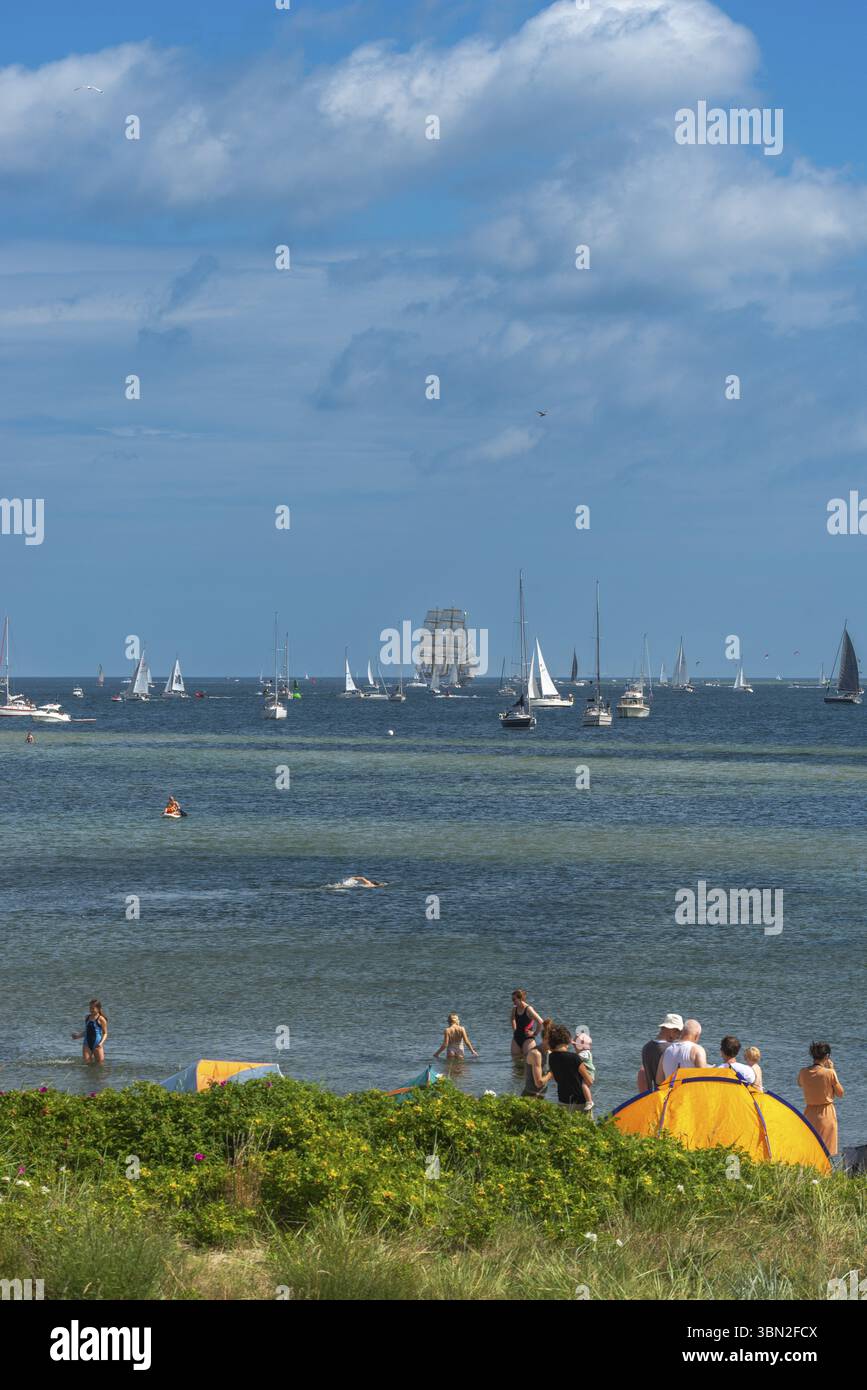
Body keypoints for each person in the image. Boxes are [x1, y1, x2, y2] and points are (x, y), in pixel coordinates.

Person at [798, 1042, 844, 1156]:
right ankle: (824, 1173)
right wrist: (832, 1069)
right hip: (826, 1113)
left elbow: (800, 1083)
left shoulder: (803, 1072)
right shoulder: (829, 1073)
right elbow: (840, 1093)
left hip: (809, 1112)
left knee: (810, 1149)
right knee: (825, 1151)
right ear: (827, 1056)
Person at [542, 1024, 594, 1108]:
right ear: (567, 1041)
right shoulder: (574, 1058)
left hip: (562, 1101)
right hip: (580, 1103)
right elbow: (589, 1081)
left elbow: (556, 1078)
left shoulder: (551, 1057)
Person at [637, 1013, 683, 1092]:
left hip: (650, 1095)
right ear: (671, 1030)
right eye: (678, 1032)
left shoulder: (647, 1047)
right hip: (666, 1094)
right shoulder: (670, 1049)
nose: (679, 1036)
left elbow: (642, 1073)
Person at [657, 1018, 707, 1083]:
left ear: (682, 1033)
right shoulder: (697, 1050)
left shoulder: (667, 1051)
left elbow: (659, 1080)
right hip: (689, 1092)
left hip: (671, 1092)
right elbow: (704, 1079)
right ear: (697, 1036)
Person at [522, 1019, 553, 1098]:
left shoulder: (549, 1052)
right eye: (554, 1041)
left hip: (541, 1095)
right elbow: (538, 1083)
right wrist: (552, 1073)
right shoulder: (536, 1054)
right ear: (545, 1039)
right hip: (530, 1096)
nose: (555, 1044)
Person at [72, 999, 108, 1065]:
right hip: (86, 1044)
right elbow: (87, 1031)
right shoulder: (87, 1017)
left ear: (98, 1008)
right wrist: (78, 1036)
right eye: (90, 1008)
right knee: (87, 1064)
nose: (91, 1010)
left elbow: (105, 1033)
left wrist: (101, 1043)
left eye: (93, 1008)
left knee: (100, 1065)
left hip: (97, 1044)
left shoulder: (101, 1019)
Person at [510, 989, 543, 1060]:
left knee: (528, 1059)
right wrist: (514, 1030)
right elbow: (512, 1019)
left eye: (514, 999)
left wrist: (535, 1033)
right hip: (516, 1037)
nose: (513, 1002)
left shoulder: (528, 1009)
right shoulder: (514, 1009)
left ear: (520, 998)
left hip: (527, 1039)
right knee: (515, 1060)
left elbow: (540, 1022)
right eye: (512, 999)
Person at [572, 1028, 596, 1111]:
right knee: (584, 1087)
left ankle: (589, 1102)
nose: (575, 1046)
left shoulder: (585, 1053)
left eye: (576, 1045)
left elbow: (578, 1058)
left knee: (584, 1085)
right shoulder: (586, 1051)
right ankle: (587, 1100)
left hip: (589, 1073)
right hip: (588, 1073)